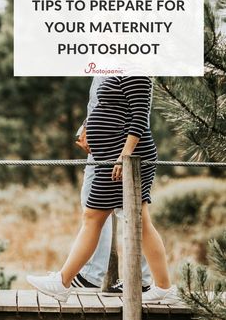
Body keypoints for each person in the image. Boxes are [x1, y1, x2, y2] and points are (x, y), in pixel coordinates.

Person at [27, 75, 178, 304]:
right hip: (112, 157)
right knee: (127, 219)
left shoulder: (136, 70)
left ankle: (64, 282)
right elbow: (113, 108)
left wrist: (124, 155)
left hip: (124, 159)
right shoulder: (117, 68)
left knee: (108, 218)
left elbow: (139, 117)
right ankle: (163, 287)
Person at [71, 76, 152, 296]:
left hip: (118, 151)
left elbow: (137, 109)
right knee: (97, 209)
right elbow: (103, 103)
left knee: (130, 212)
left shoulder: (131, 61)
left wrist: (125, 153)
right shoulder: (105, 59)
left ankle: (141, 279)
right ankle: (90, 275)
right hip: (104, 150)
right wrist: (88, 126)